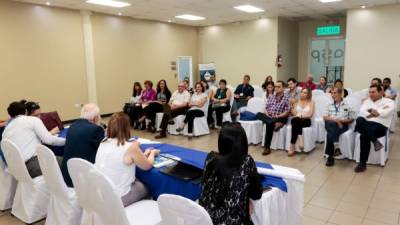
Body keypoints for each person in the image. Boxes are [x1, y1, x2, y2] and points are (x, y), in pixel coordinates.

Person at [199, 123, 263, 225]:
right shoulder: (247, 161)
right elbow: (257, 194)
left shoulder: (210, 157)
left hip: (206, 219)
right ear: (242, 142)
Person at [95, 112, 159, 207]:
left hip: (101, 192)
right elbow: (148, 166)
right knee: (147, 187)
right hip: (118, 197)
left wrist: (141, 153)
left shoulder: (103, 142)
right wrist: (152, 153)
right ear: (127, 128)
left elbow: (127, 157)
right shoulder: (130, 147)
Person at [2, 101, 65, 178]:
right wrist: (67, 141)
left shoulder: (6, 130)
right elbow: (49, 140)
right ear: (26, 111)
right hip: (32, 165)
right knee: (68, 162)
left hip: (16, 171)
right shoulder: (32, 120)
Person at [61, 103, 105, 187]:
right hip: (83, 178)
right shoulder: (96, 129)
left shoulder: (72, 126)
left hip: (67, 175)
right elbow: (102, 150)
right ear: (95, 117)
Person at [354, 84, 395, 173]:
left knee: (363, 135)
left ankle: (362, 163)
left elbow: (387, 112)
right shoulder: (367, 101)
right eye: (369, 92)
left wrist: (376, 113)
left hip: (380, 125)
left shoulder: (389, 102)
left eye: (373, 92)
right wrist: (377, 113)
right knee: (359, 119)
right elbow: (362, 112)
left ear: (381, 92)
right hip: (366, 123)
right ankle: (375, 141)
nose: (371, 94)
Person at [256, 81, 290, 155]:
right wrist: (267, 114)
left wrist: (277, 116)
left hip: (280, 117)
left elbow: (287, 112)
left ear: (283, 88)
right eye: (275, 86)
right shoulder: (271, 96)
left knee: (269, 124)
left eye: (278, 87)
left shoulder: (287, 98)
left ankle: (267, 148)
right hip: (270, 116)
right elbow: (266, 108)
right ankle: (273, 122)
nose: (276, 88)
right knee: (258, 114)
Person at [324, 87, 355, 166]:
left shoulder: (348, 105)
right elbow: (325, 117)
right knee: (331, 124)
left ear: (340, 94)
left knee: (329, 133)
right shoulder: (328, 104)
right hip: (331, 123)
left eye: (335, 93)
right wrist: (336, 120)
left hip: (342, 125)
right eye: (332, 93)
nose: (333, 95)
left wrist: (341, 121)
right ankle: (336, 147)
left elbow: (352, 118)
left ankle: (330, 157)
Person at [288, 88, 315, 156]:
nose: (302, 94)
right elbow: (294, 113)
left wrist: (301, 116)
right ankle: (300, 138)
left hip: (306, 120)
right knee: (295, 120)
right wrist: (291, 106)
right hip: (297, 119)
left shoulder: (311, 102)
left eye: (305, 92)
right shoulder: (297, 101)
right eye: (302, 92)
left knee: (295, 120)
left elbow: (310, 114)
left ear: (308, 94)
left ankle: (292, 147)